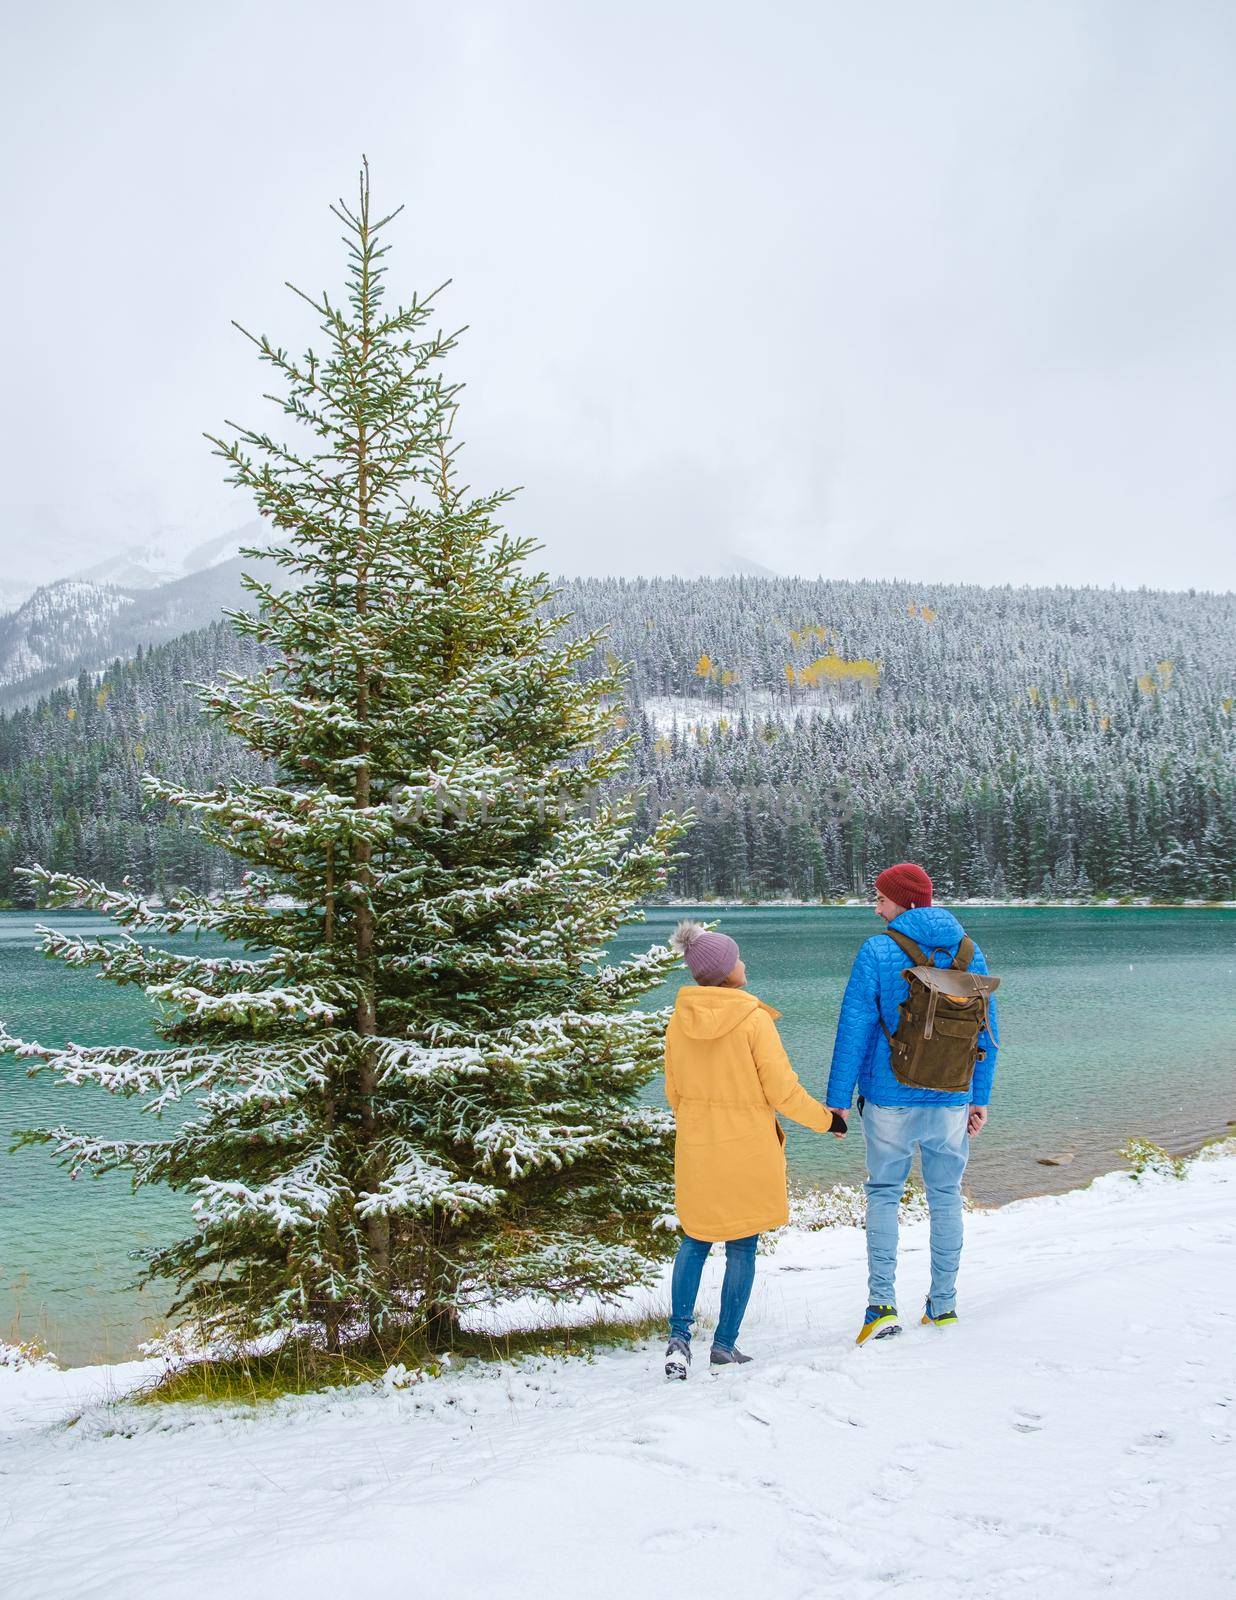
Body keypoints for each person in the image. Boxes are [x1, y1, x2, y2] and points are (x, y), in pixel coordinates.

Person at [662, 920, 846, 1379]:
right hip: (747, 1149)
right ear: (727, 971)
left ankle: (678, 1338)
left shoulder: (677, 1019)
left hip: (698, 1145)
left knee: (696, 1237)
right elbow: (782, 1091)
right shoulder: (753, 1019)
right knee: (742, 1244)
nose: (744, 963)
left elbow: (674, 1093)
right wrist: (828, 1120)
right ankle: (724, 1345)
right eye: (739, 958)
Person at [826, 863, 999, 1345]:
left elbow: (854, 1027)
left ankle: (881, 1307)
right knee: (945, 1196)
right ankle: (943, 1306)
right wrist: (978, 1098)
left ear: (904, 901)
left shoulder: (879, 949)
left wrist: (837, 1103)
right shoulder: (970, 950)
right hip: (951, 1098)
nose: (877, 906)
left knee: (884, 1193)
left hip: (889, 1098)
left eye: (881, 898)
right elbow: (987, 1032)